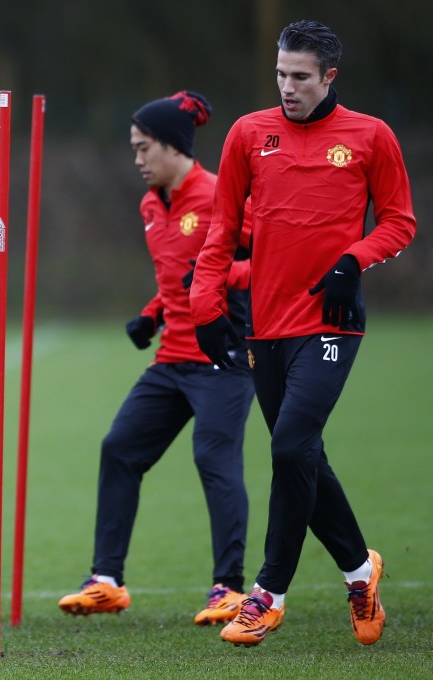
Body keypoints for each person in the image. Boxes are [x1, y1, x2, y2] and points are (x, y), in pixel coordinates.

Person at [190, 20, 416, 647]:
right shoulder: (247, 134)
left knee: (290, 448)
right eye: (281, 75)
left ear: (329, 77)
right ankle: (358, 570)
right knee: (305, 456)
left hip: (332, 322)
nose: (288, 87)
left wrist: (354, 260)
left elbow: (400, 222)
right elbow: (220, 231)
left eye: (300, 77)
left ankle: (266, 594)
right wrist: (205, 306)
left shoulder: (372, 136)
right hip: (267, 327)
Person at [57, 92, 255, 626]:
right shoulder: (151, 203)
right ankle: (106, 581)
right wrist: (152, 314)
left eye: (144, 148)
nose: (138, 159)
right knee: (119, 449)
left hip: (225, 355)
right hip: (172, 360)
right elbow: (175, 278)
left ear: (173, 147)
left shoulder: (220, 195)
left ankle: (231, 589)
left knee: (213, 459)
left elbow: (265, 263)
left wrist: (217, 278)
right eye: (134, 149)